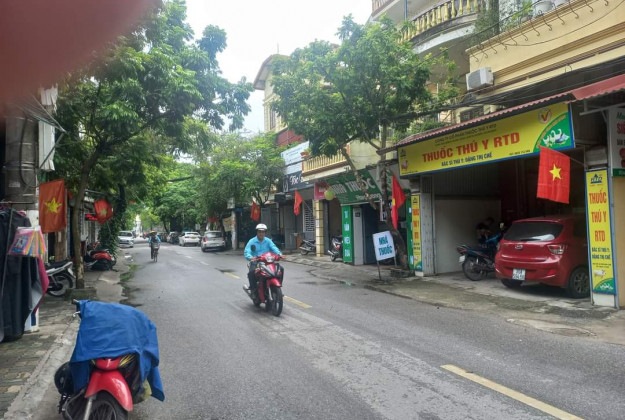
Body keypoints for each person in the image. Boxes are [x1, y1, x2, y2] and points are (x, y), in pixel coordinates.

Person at [244, 224, 283, 293]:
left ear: (265, 233)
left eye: (263, 232)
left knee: (280, 269)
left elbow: (274, 248)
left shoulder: (268, 241)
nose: (261, 233)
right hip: (256, 261)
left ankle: (278, 287)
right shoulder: (252, 241)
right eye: (259, 231)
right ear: (257, 232)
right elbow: (247, 251)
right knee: (251, 272)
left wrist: (279, 254)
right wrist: (251, 257)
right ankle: (253, 290)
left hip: (267, 261)